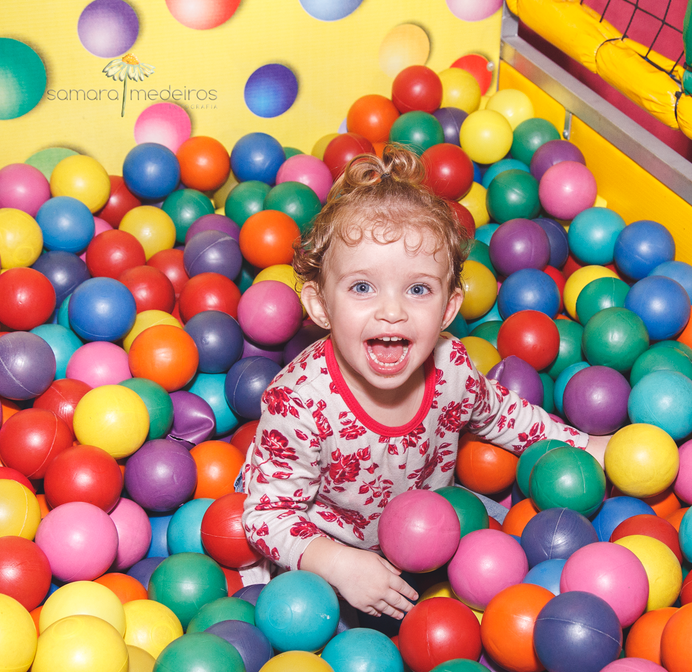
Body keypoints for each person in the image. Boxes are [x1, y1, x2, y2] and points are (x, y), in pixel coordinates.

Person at [240, 146, 610, 619]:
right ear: (318, 306)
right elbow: (267, 516)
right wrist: (338, 563)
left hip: (431, 534)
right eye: (361, 287)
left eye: (417, 290)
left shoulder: (450, 366)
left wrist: (579, 445)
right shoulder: (299, 404)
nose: (392, 310)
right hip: (327, 544)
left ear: (449, 308)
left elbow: (501, 414)